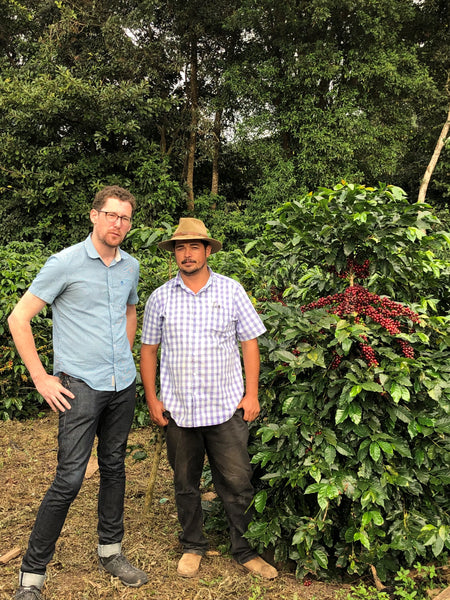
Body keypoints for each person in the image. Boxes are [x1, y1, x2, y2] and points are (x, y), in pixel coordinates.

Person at [7, 185, 148, 600]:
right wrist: (41, 378)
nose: (118, 224)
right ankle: (32, 574)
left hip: (122, 385)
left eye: (125, 218)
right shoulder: (64, 263)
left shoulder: (130, 266)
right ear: (94, 215)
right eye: (111, 215)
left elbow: (129, 308)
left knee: (115, 466)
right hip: (79, 387)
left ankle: (111, 551)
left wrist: (125, 356)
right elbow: (19, 318)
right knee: (69, 479)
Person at [140, 218, 278, 580]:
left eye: (193, 247)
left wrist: (252, 394)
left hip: (226, 407)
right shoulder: (160, 298)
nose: (187, 254)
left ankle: (245, 550)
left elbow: (249, 343)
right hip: (179, 410)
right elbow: (149, 350)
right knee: (185, 482)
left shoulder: (231, 291)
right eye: (180, 248)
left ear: (207, 251)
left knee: (237, 481)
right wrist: (153, 400)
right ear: (174, 254)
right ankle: (192, 545)